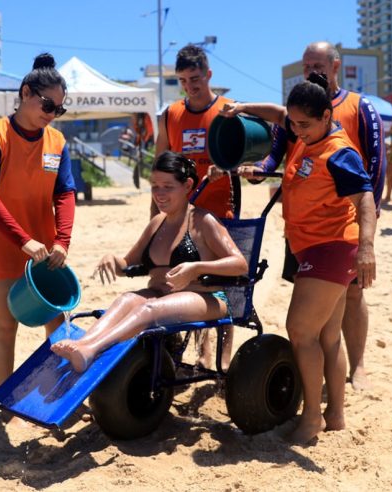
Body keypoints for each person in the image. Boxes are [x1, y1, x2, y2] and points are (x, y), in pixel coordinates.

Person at [225, 73, 377, 443]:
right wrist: (243, 108)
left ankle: (312, 419)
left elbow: (366, 198)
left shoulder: (339, 151)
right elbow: (279, 115)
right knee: (326, 335)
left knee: (300, 331)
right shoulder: (306, 132)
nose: (296, 129)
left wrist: (368, 249)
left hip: (333, 247)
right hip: (314, 246)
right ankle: (336, 415)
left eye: (304, 123)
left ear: (327, 115)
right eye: (294, 123)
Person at [51, 151, 248, 373]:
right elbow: (126, 263)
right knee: (126, 299)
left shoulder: (203, 221)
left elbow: (240, 264)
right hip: (160, 294)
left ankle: (91, 350)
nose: (159, 193)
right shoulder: (157, 223)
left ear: (187, 185)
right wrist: (111, 259)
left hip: (207, 297)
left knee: (147, 309)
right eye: (155, 186)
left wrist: (197, 267)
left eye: (167, 186)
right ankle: (83, 344)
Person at [0, 54, 76, 401]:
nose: (51, 113)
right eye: (48, 104)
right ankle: (8, 401)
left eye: (58, 109)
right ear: (27, 93)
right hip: (1, 244)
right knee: (5, 326)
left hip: (44, 247)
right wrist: (22, 240)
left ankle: (61, 394)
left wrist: (62, 240)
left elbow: (65, 193)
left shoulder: (57, 143)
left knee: (58, 323)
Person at [154, 43, 240, 369]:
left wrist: (229, 167)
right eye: (183, 80)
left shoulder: (229, 110)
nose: (190, 85)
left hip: (220, 215)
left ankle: (222, 355)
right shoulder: (172, 114)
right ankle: (196, 352)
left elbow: (251, 158)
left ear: (208, 74)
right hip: (180, 218)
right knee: (183, 284)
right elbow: (160, 165)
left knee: (222, 288)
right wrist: (155, 218)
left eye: (195, 78)